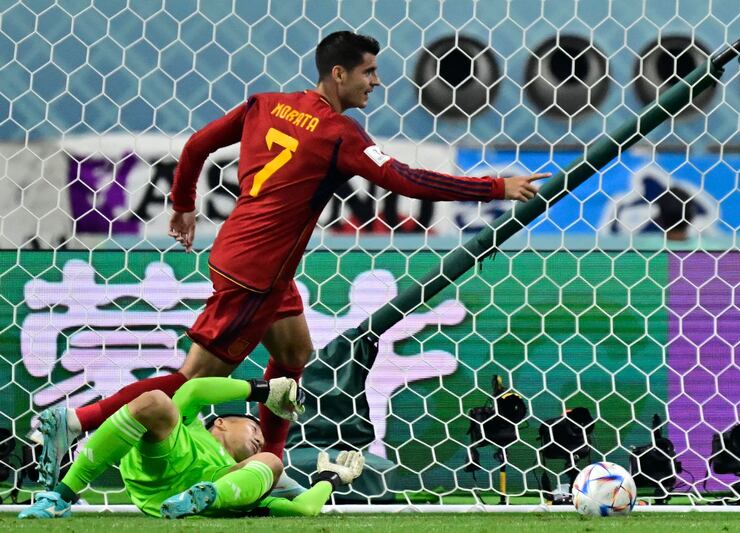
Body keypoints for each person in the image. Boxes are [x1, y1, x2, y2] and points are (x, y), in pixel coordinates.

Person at [35, 30, 549, 491]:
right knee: (192, 380)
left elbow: (196, 145)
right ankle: (77, 421)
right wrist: (495, 186)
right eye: (369, 72)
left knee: (294, 356)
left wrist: (184, 207)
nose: (375, 82)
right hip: (256, 272)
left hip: (247, 256)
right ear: (339, 73)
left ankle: (270, 465)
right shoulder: (338, 135)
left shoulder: (266, 105)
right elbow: (407, 181)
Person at [20, 376, 364, 519]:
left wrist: (329, 479)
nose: (260, 437)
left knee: (272, 462)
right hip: (163, 460)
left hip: (214, 491)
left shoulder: (249, 475)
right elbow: (196, 389)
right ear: (222, 423)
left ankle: (207, 495)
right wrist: (261, 390)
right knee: (156, 401)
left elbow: (303, 508)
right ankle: (61, 496)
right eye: (254, 427)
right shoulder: (191, 426)